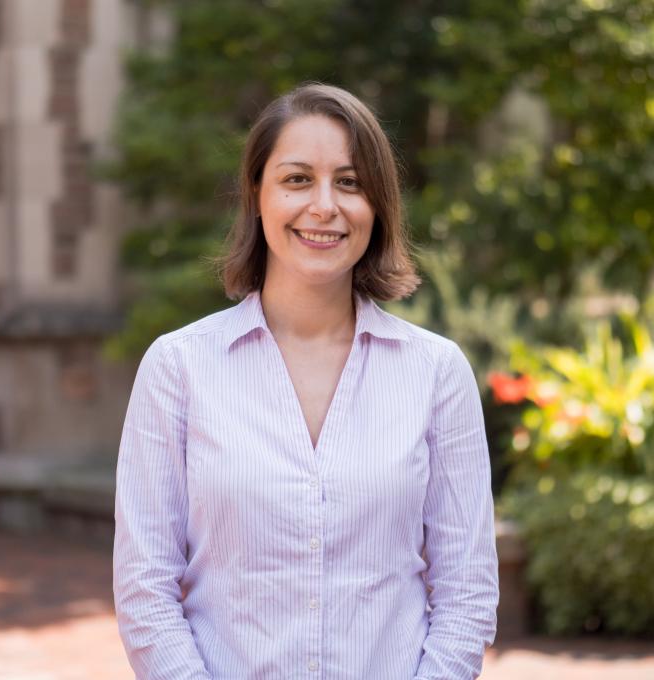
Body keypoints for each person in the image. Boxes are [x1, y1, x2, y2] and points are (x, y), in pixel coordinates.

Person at [113, 82, 498, 680]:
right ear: (257, 196)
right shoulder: (179, 368)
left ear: (378, 204)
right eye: (297, 179)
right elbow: (145, 588)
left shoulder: (436, 373)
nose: (325, 206)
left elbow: (467, 590)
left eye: (349, 182)